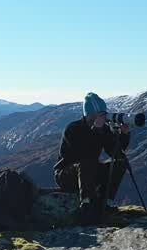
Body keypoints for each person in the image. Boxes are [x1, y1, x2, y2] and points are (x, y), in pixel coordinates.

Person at [54, 92, 130, 224]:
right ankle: (86, 206)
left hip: (89, 171)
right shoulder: (73, 128)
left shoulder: (103, 129)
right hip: (66, 174)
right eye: (99, 114)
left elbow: (115, 153)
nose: (102, 117)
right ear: (89, 114)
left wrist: (123, 135)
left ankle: (101, 202)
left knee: (120, 163)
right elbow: (82, 154)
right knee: (87, 163)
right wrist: (95, 130)